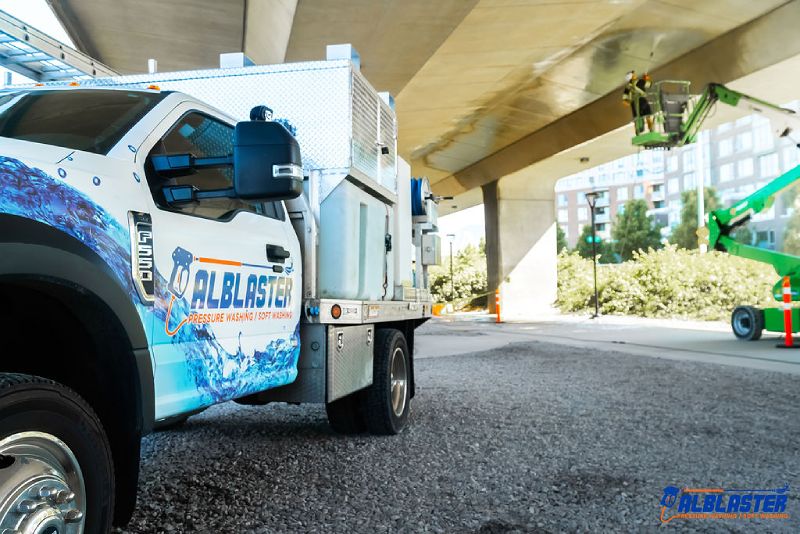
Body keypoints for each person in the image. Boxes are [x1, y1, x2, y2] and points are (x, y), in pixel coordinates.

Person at [622, 70, 654, 135]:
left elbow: (625, 97)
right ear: (632, 77)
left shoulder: (628, 86)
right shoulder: (639, 81)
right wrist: (646, 78)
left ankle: (638, 130)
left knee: (637, 117)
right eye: (633, 74)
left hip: (634, 103)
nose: (635, 75)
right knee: (647, 114)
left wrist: (626, 101)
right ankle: (651, 128)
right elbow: (649, 84)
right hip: (642, 100)